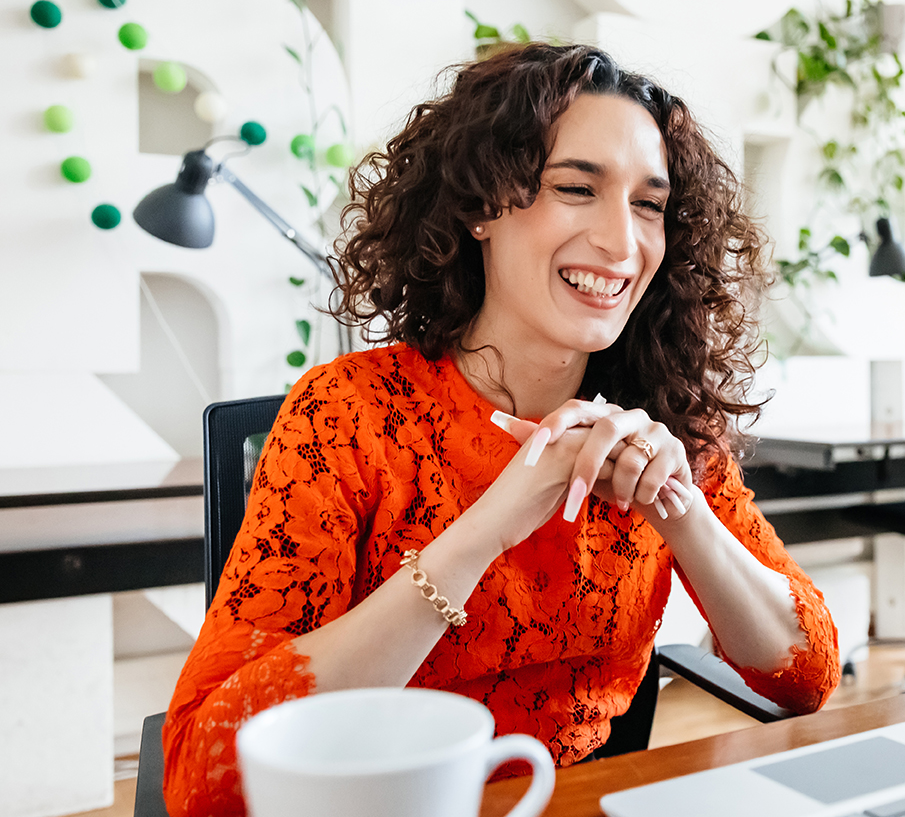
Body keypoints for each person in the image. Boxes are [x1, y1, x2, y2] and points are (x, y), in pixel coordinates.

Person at [162, 42, 840, 817]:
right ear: (481, 205)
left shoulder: (662, 416)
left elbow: (807, 677)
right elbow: (198, 778)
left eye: (648, 204)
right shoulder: (346, 414)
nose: (622, 242)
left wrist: (678, 508)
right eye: (576, 187)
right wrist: (489, 526)